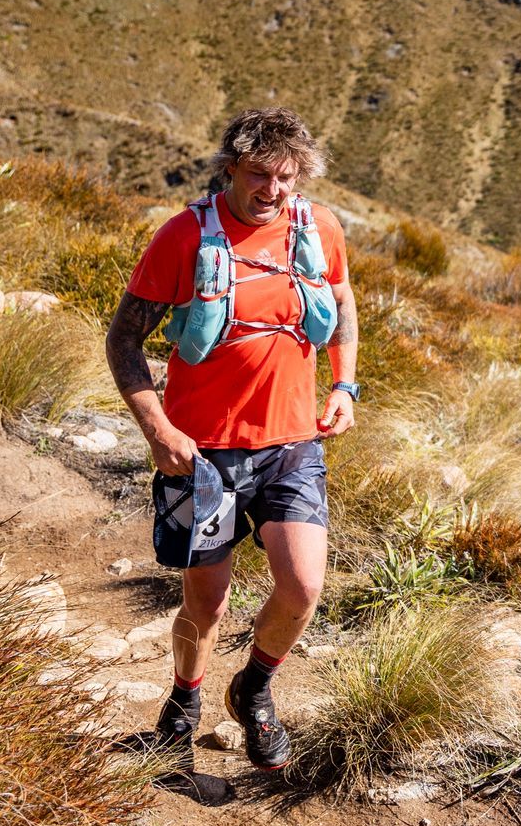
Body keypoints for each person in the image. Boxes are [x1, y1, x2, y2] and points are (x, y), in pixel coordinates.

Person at [105, 107, 357, 781]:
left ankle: (254, 688)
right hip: (203, 453)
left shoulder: (318, 227)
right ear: (230, 170)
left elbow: (341, 300)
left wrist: (345, 384)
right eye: (258, 174)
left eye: (286, 177)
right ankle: (183, 704)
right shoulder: (184, 236)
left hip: (292, 445)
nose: (273, 189)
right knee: (206, 602)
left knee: (302, 587)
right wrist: (157, 428)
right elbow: (123, 339)